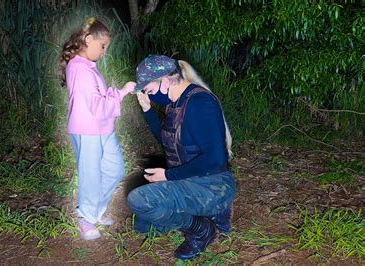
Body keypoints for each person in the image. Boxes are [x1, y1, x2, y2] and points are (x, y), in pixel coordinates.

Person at [127, 55, 236, 260]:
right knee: (143, 225)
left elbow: (215, 159)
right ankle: (213, 213)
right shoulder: (177, 102)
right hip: (192, 180)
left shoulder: (199, 104)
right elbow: (166, 139)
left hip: (212, 185)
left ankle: (202, 228)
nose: (147, 93)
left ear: (166, 81)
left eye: (149, 88)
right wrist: (147, 109)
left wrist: (168, 175)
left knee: (139, 200)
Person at [59, 17, 136, 240]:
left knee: (115, 169)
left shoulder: (87, 67)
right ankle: (85, 218)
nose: (103, 51)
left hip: (102, 128)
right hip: (87, 129)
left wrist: (116, 94)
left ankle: (94, 211)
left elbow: (98, 102)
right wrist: (120, 93)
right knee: (90, 175)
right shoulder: (80, 69)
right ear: (88, 39)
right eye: (102, 46)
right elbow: (96, 107)